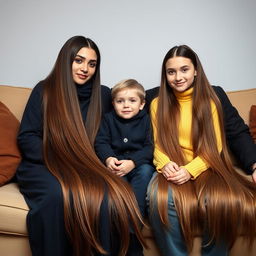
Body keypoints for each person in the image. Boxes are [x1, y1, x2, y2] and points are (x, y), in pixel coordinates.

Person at [16, 36, 146, 256]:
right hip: (46, 164)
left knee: (108, 195)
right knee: (57, 196)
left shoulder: (103, 94)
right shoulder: (45, 90)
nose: (85, 68)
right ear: (66, 61)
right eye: (79, 60)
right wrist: (62, 157)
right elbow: (27, 137)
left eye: (92, 64)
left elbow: (133, 104)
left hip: (85, 167)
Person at [146, 45, 256, 256]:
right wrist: (165, 164)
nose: (178, 77)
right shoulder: (155, 101)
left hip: (208, 164)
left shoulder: (212, 98)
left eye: (184, 69)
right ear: (165, 75)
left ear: (196, 70)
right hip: (172, 166)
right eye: (171, 72)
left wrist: (190, 170)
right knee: (157, 197)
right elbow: (156, 143)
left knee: (221, 200)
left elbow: (222, 141)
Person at [95, 79, 154, 218]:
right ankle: (121, 217)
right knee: (117, 184)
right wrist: (109, 158)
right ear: (113, 104)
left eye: (132, 100)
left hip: (139, 164)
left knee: (145, 173)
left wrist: (133, 162)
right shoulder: (108, 119)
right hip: (117, 163)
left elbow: (150, 147)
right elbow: (101, 142)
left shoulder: (146, 120)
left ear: (142, 104)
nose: (126, 105)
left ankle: (135, 217)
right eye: (120, 101)